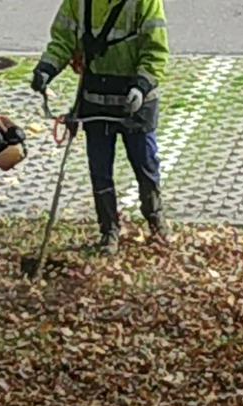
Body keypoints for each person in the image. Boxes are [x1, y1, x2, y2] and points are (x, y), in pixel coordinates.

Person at [31, 0, 171, 255]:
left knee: (146, 165)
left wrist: (141, 85)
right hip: (96, 100)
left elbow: (156, 50)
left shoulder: (145, 2)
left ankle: (155, 219)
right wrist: (46, 69)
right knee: (100, 170)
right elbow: (63, 39)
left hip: (137, 103)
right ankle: (109, 232)